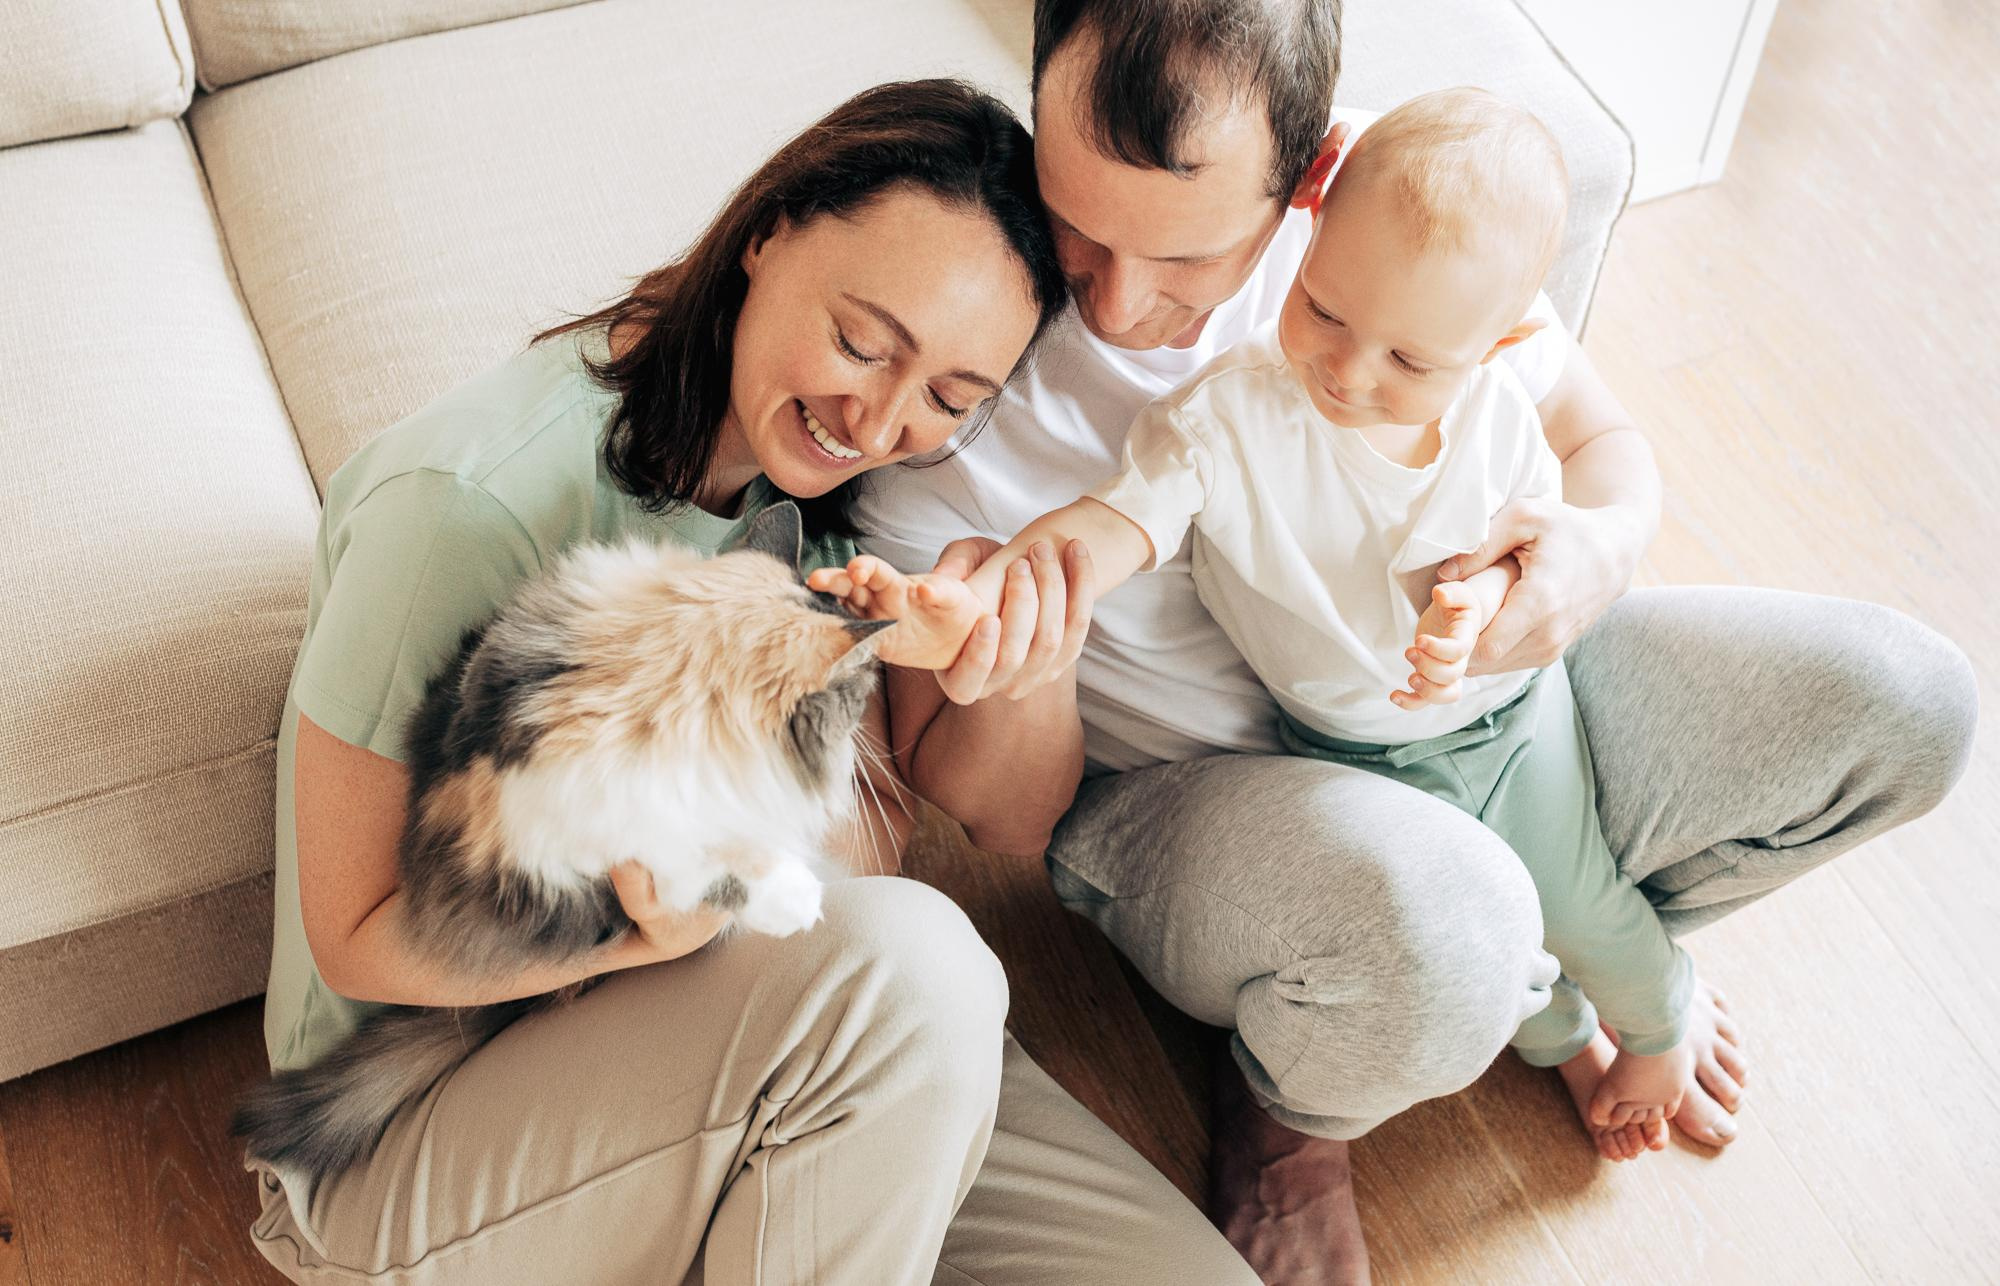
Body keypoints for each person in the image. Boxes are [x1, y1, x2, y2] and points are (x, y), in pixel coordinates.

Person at [850, 5, 1980, 1282]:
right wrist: (1020, 621)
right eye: (1078, 226)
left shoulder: (1399, 217)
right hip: (1197, 796)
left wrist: (1589, 553)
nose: (1116, 302)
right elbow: (1001, 807)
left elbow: (1600, 444)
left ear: (1311, 175)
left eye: (1191, 257)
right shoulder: (952, 361)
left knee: (1905, 701)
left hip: (1487, 703)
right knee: (1453, 921)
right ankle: (1300, 1107)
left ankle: (1512, 962)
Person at [245, 79, 1260, 1286]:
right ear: (770, 230)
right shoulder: (464, 506)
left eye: (947, 397)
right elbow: (357, 937)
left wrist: (1016, 646)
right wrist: (643, 930)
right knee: (921, 968)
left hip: (773, 1032)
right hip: (417, 1134)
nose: (877, 418)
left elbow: (988, 822)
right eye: (860, 341)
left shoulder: (832, 505)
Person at [821, 86, 1704, 1164]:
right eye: (1322, 314)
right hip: (1332, 751)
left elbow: (1547, 487)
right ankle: (1550, 1033)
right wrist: (980, 597)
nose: (1344, 369)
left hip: (1513, 709)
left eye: (1406, 362)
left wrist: (1569, 556)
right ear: (1314, 240)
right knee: (1497, 928)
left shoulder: (1465, 330)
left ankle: (1656, 1018)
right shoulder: (1226, 408)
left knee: (1584, 893)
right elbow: (1102, 530)